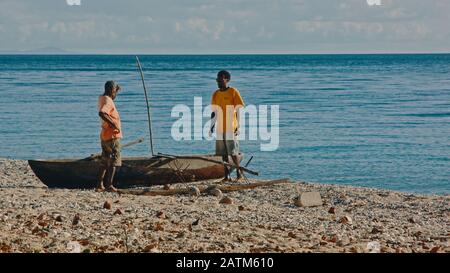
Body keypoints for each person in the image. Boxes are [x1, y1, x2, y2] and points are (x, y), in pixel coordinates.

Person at [210, 70, 245, 182]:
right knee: (223, 154)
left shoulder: (233, 91)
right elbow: (214, 111)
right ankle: (227, 176)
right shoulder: (215, 94)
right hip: (220, 127)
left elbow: (239, 109)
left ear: (226, 79)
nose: (218, 82)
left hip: (231, 126)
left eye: (219, 79)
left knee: (233, 152)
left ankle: (239, 174)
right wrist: (211, 125)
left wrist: (237, 126)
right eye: (217, 80)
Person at [96, 80, 122, 192]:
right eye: (115, 91)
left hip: (105, 135)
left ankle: (99, 184)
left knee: (105, 161)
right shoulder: (108, 100)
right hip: (112, 136)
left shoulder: (102, 98)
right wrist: (114, 124)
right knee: (114, 161)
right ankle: (109, 185)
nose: (115, 94)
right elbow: (102, 113)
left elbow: (105, 109)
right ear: (112, 90)